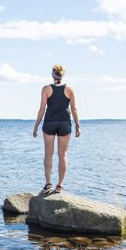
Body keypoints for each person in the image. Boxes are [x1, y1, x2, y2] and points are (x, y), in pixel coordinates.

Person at [32, 64, 80, 194]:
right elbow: (74, 109)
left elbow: (42, 109)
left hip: (49, 123)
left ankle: (48, 184)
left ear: (52, 75)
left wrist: (36, 126)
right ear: (63, 74)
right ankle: (59, 186)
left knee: (48, 154)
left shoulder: (46, 89)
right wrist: (77, 126)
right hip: (64, 123)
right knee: (62, 155)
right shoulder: (70, 89)